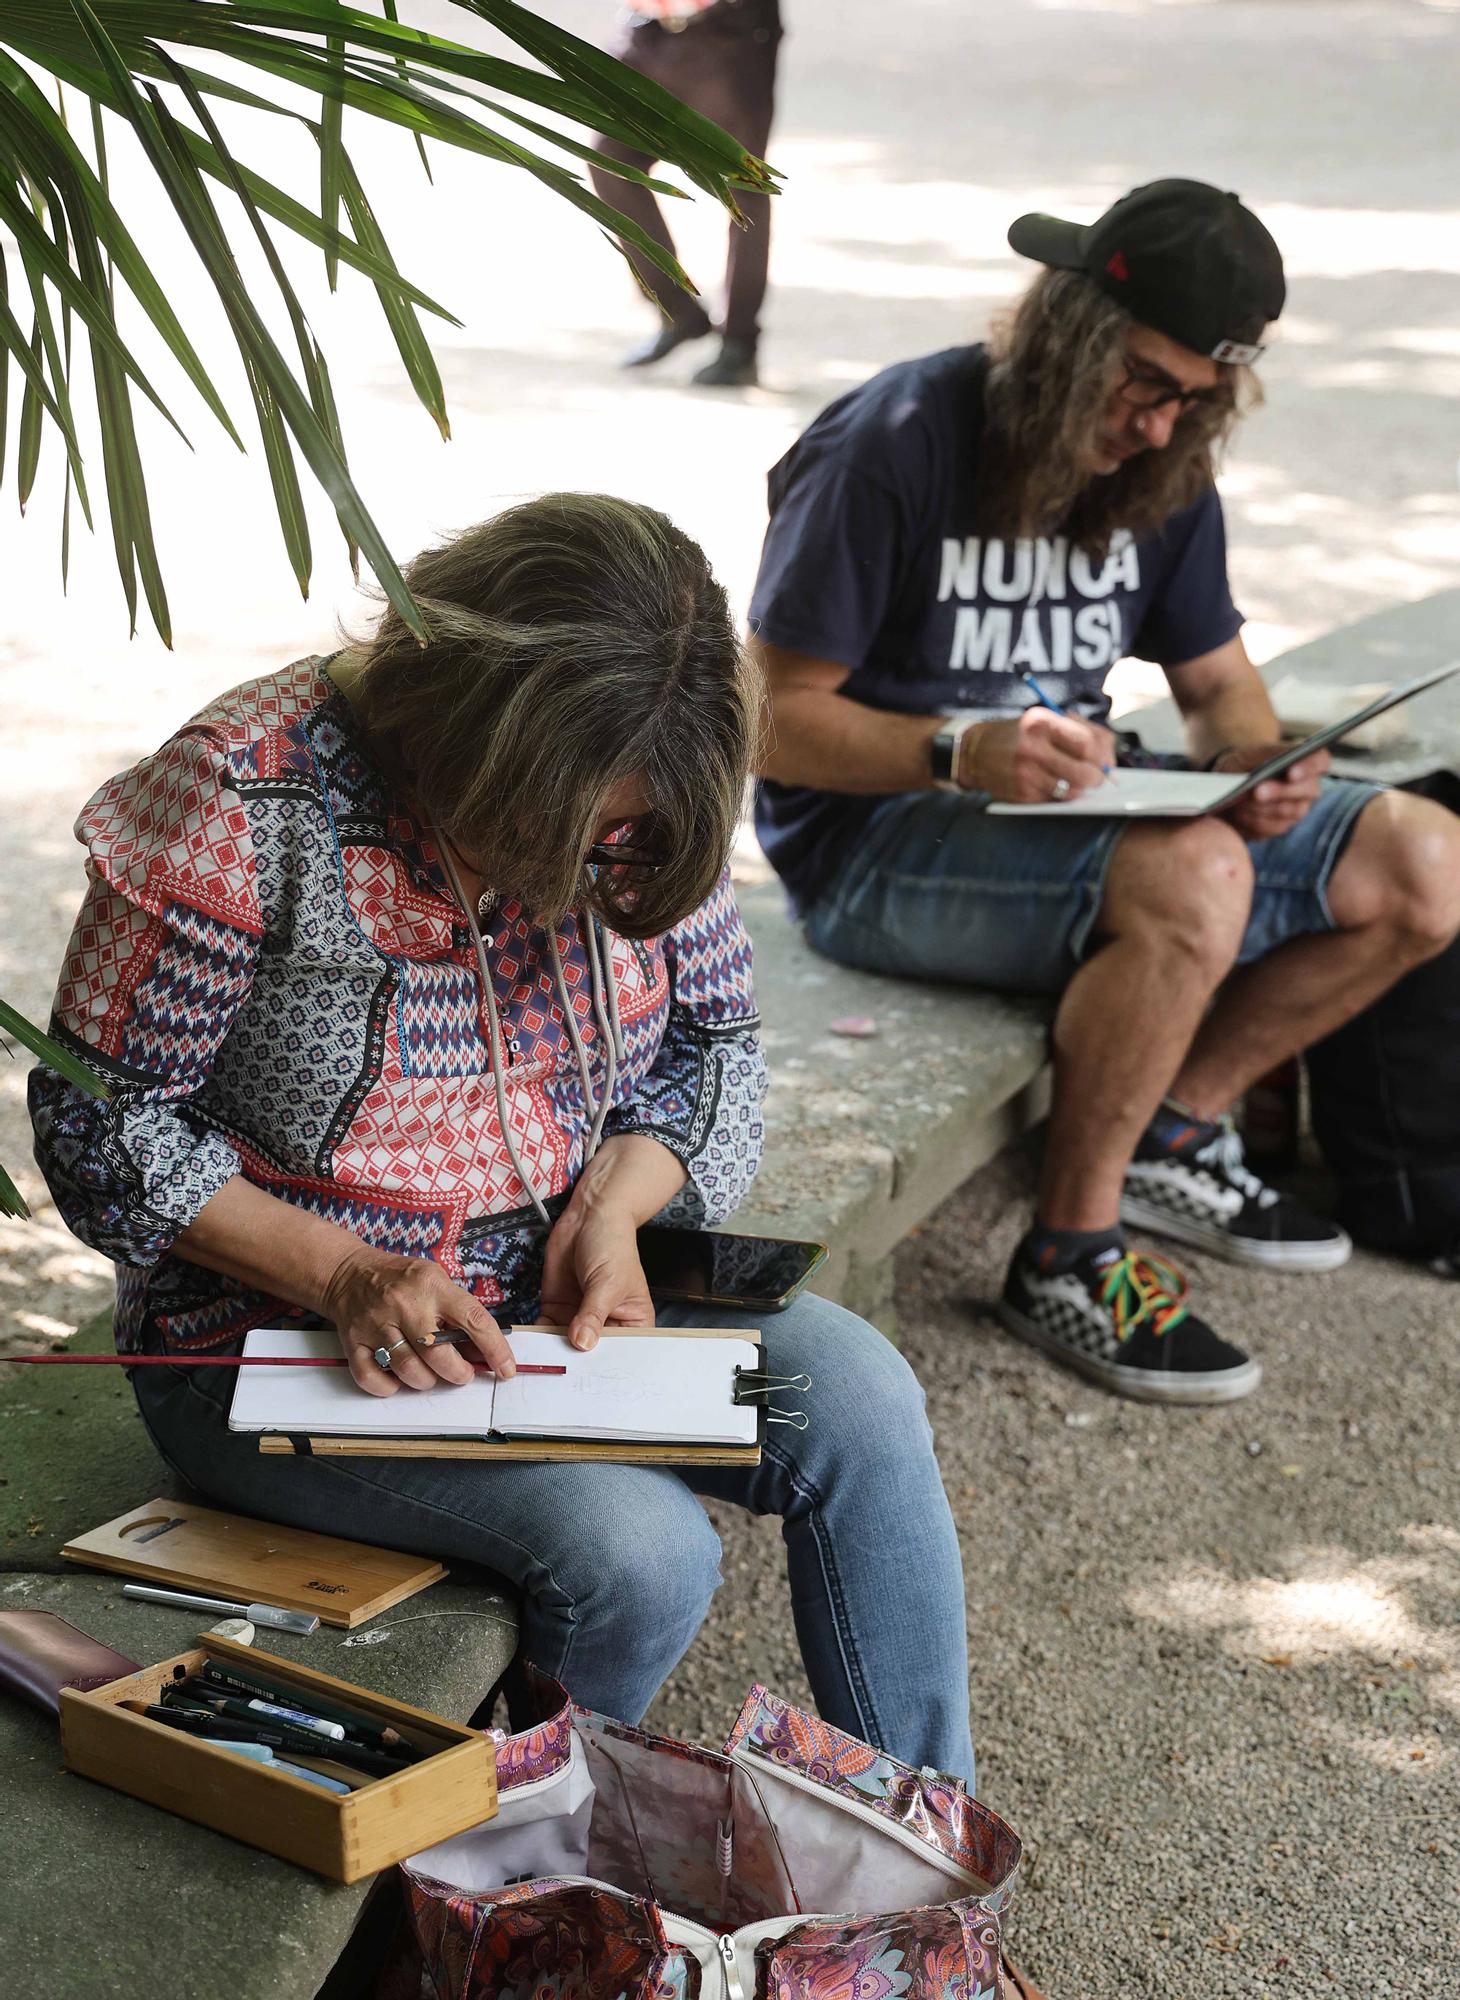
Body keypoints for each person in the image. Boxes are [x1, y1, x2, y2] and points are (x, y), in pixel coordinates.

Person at [27, 494, 980, 1805]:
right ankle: (514, 1870)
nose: (598, 875)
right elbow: (100, 1124)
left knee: (859, 1398)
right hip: (271, 1338)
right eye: (580, 838)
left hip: (544, 1290)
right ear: (474, 741)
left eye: (627, 844)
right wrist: (347, 1274)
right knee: (635, 1554)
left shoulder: (639, 802)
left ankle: (923, 1861)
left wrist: (617, 1210)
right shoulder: (242, 804)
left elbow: (717, 1045)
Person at [746, 179, 1460, 1406]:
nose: (1156, 424)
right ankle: (1066, 1256)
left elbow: (1220, 689)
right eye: (1140, 381)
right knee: (1196, 871)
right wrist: (954, 752)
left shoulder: (1161, 463)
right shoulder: (896, 438)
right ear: (1067, 335)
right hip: (875, 838)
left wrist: (1255, 766)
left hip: (1065, 811)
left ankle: (1166, 1128)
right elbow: (766, 719)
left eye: (1194, 399)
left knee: (1422, 860)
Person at [588, 0, 781, 387]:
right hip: (646, 24)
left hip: (727, 30)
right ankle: (676, 310)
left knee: (742, 184)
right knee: (611, 158)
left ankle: (739, 343)